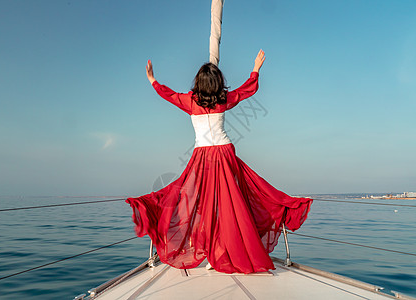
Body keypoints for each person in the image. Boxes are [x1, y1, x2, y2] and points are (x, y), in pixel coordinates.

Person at [126, 50, 313, 274]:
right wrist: (255, 68)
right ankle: (222, 252)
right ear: (218, 82)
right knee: (233, 204)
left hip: (202, 158)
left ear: (198, 82)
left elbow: (168, 95)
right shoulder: (223, 100)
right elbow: (247, 90)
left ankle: (213, 254)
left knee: (203, 206)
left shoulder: (189, 102)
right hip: (225, 156)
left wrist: (152, 80)